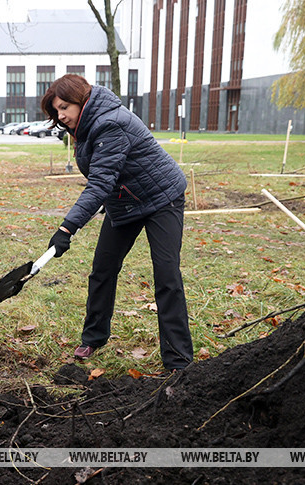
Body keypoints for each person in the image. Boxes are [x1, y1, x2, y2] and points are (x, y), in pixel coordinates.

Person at [41, 74, 193, 371]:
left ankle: (178, 360)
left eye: (64, 108)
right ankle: (94, 337)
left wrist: (66, 228)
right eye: (56, 111)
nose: (60, 116)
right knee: (103, 269)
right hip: (125, 202)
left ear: (81, 100)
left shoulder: (111, 123)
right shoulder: (86, 123)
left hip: (162, 198)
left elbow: (98, 184)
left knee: (166, 276)